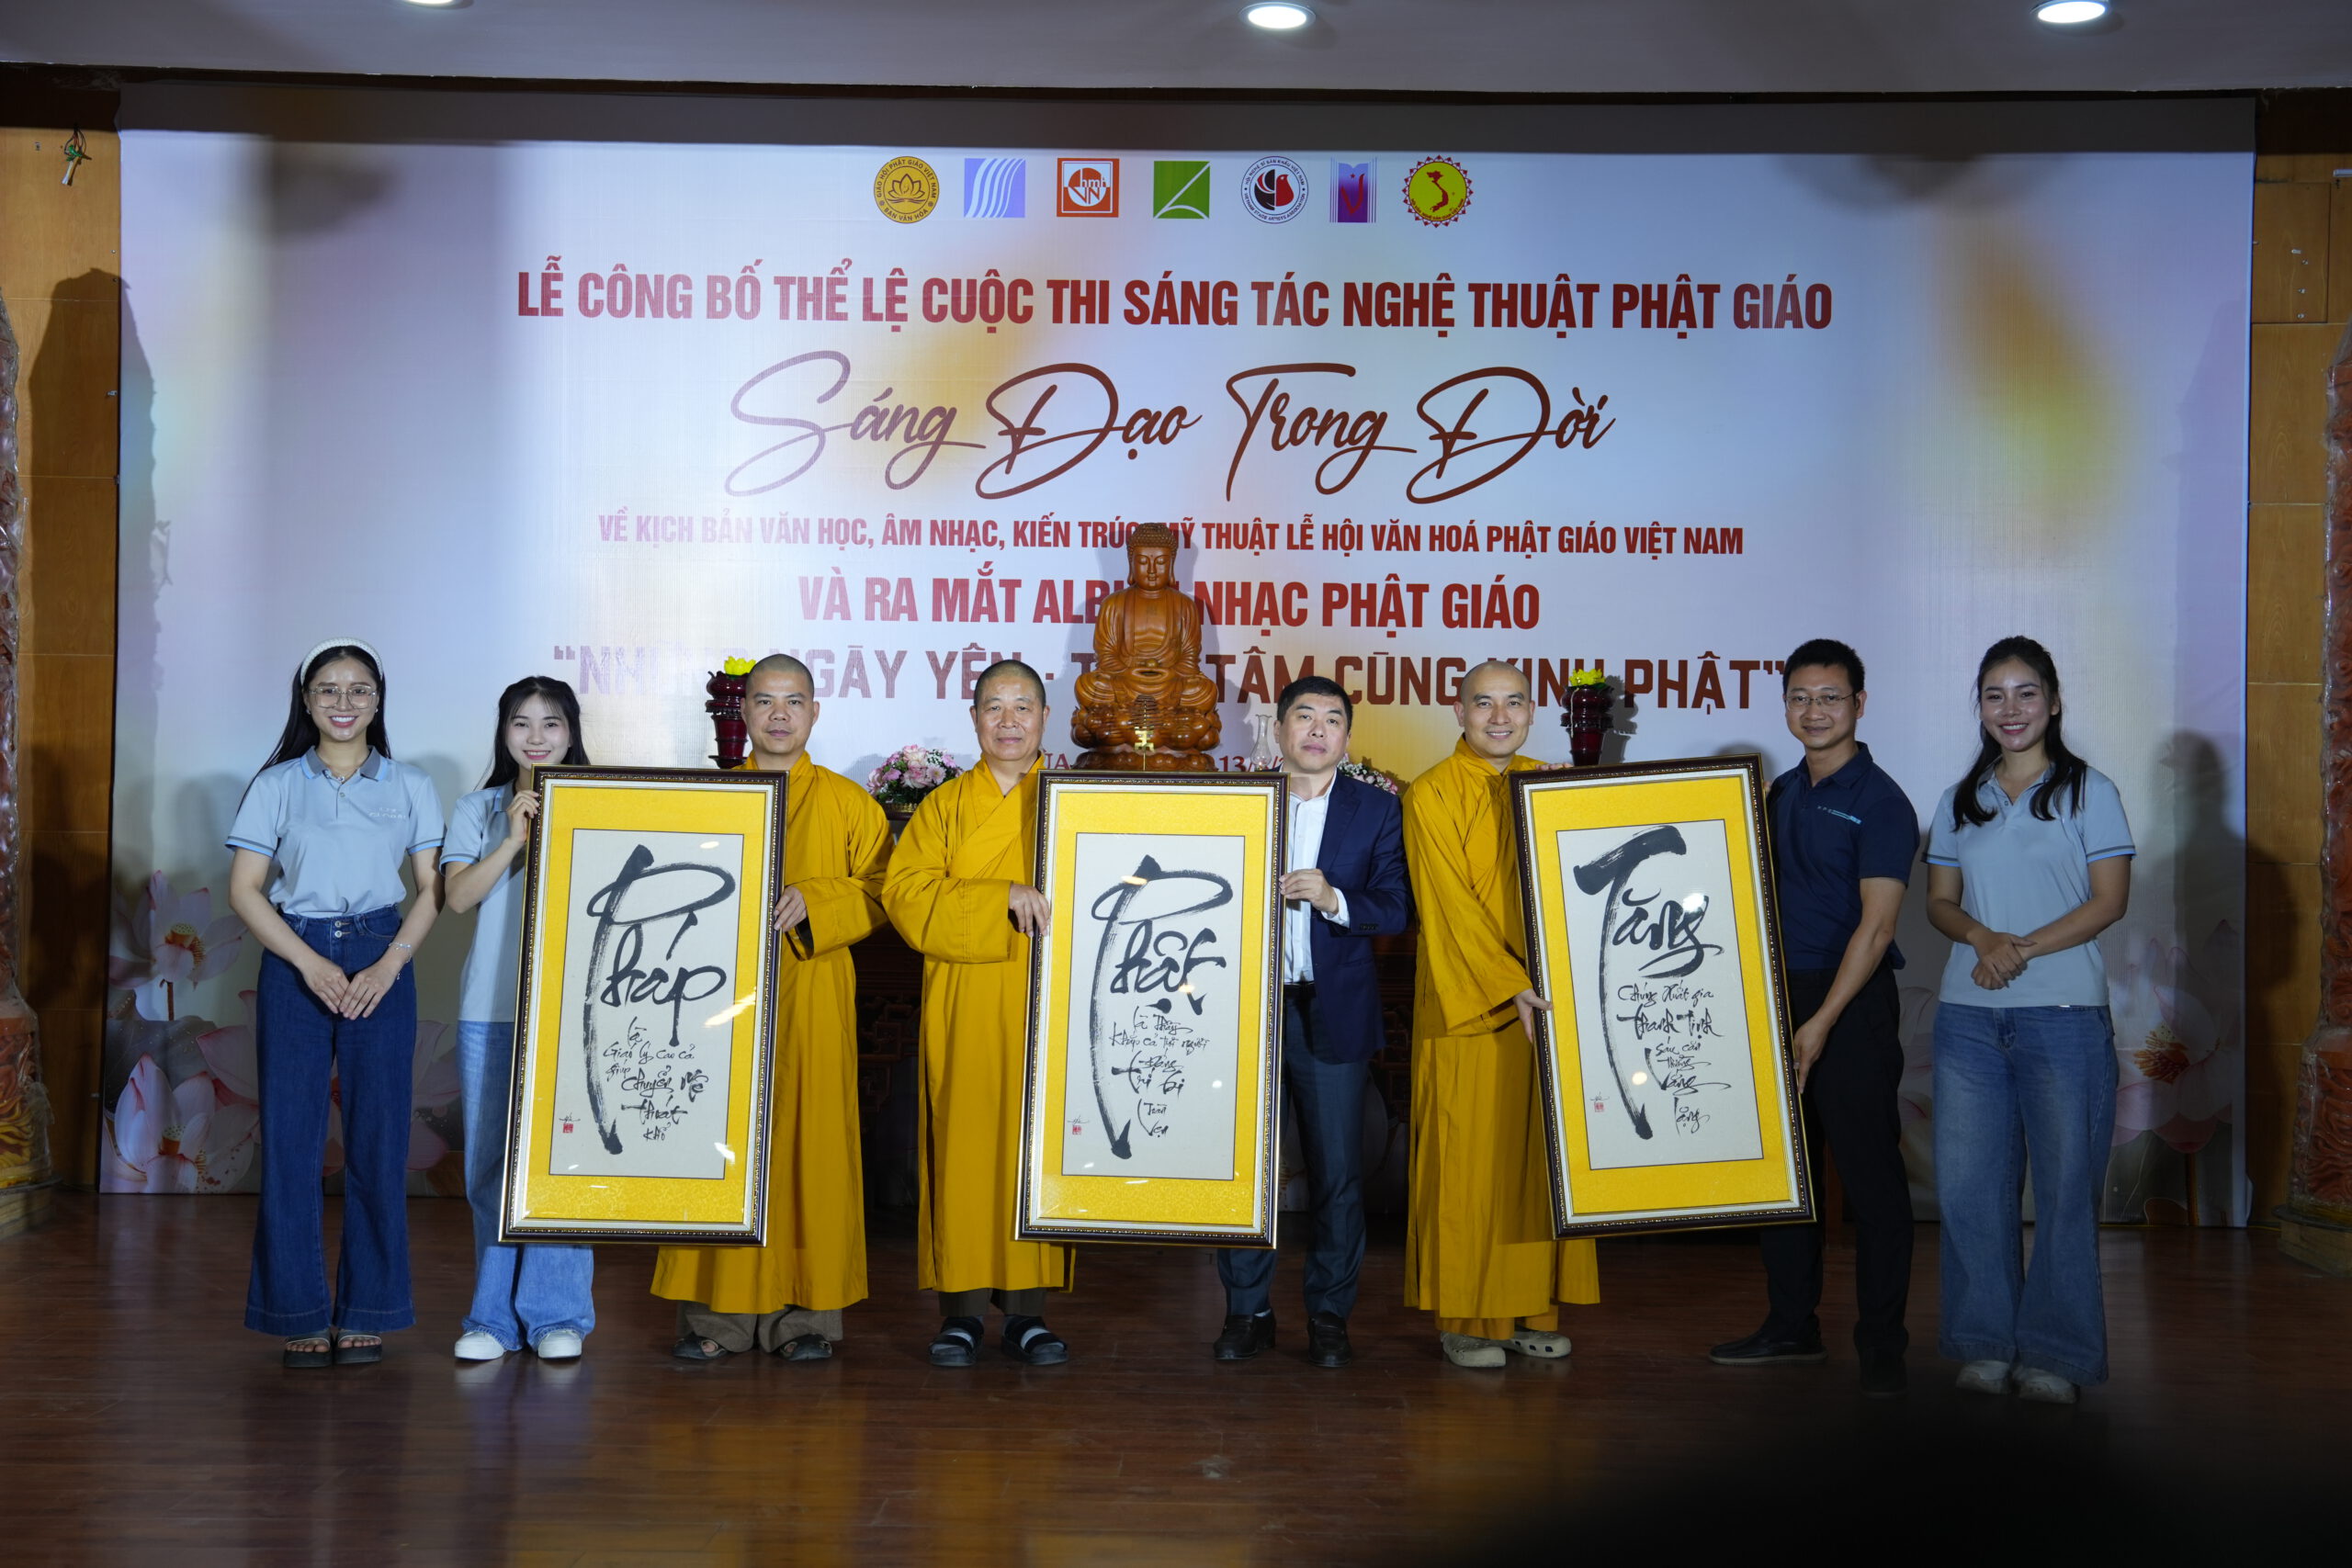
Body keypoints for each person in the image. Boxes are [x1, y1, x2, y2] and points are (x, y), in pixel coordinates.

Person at [652, 654, 892, 1361]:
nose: (779, 713)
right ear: (744, 712)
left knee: (810, 1148)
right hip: (716, 995)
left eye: (794, 700)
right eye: (764, 700)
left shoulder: (849, 801)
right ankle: (717, 1317)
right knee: (718, 1142)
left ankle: (805, 1317)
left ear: (815, 711)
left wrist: (820, 898)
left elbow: (885, 889)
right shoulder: (710, 796)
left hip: (813, 988)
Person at [1924, 636, 2132, 1405]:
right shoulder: (1961, 798)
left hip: (2065, 1017)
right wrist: (1982, 938)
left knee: (2066, 1192)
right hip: (1968, 1021)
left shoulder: (2090, 791)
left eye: (2025, 692)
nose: (2010, 709)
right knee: (1971, 1190)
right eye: (1994, 694)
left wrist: (2018, 949)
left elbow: (2110, 900)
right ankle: (1984, 1343)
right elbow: (1939, 902)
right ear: (1979, 706)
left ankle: (2057, 1354)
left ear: (2054, 701)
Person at [1707, 639, 1918, 1396]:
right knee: (1785, 1177)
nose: (1814, 710)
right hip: (1777, 998)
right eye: (1800, 697)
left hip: (1850, 1004)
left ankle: (1883, 1347)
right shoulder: (1779, 793)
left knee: (1872, 1182)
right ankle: (1791, 1326)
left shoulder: (1882, 801)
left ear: (1859, 703)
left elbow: (1878, 928)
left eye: (1830, 697)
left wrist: (1822, 1020)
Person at [224, 639, 444, 1368]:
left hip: (383, 954)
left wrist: (390, 964)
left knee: (378, 1142)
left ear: (378, 700)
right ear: (306, 700)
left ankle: (368, 1310)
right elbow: (245, 890)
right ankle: (298, 1311)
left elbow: (431, 889)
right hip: (297, 956)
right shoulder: (278, 784)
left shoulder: (410, 784)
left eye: (358, 690)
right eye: (328, 689)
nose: (343, 703)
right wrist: (308, 961)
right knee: (291, 1143)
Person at [1400, 660, 1599, 1368]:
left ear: (1532, 711)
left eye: (1513, 702)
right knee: (1470, 1166)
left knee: (1537, 1168)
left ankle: (1530, 1310)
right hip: (1472, 1006)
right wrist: (1510, 983)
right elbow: (1449, 907)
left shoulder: (1551, 785)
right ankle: (1467, 1319)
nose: (1499, 717)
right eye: (1483, 703)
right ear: (1458, 711)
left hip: (1548, 1005)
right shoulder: (1430, 792)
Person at [1212, 676, 1412, 1369]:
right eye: (1305, 716)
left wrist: (1334, 899)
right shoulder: (1242, 801)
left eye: (1333, 719)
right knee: (1247, 1170)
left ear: (1347, 738)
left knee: (1338, 1175)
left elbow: (1396, 906)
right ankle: (1248, 1312)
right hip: (1250, 1010)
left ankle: (1329, 1315)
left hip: (1333, 1012)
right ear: (1279, 729)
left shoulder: (1376, 810)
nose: (1319, 729)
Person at [882, 660, 1075, 1366]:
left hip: (1047, 998)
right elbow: (905, 897)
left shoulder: (1074, 801)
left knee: (1033, 1149)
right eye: (994, 706)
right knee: (963, 1147)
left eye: (1023, 706)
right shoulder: (944, 806)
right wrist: (1000, 895)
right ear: (973, 719)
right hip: (965, 994)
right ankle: (960, 1311)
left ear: (1045, 718)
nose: (1009, 720)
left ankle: (1028, 1312)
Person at [443, 676, 595, 1362]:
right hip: (491, 1010)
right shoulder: (477, 809)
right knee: (488, 1168)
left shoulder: (602, 802)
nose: (536, 737)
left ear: (572, 732)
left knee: (566, 1167)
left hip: (575, 1015)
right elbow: (457, 899)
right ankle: (492, 1320)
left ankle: (558, 1315)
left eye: (552, 723)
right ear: (503, 732)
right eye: (521, 723)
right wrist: (511, 839)